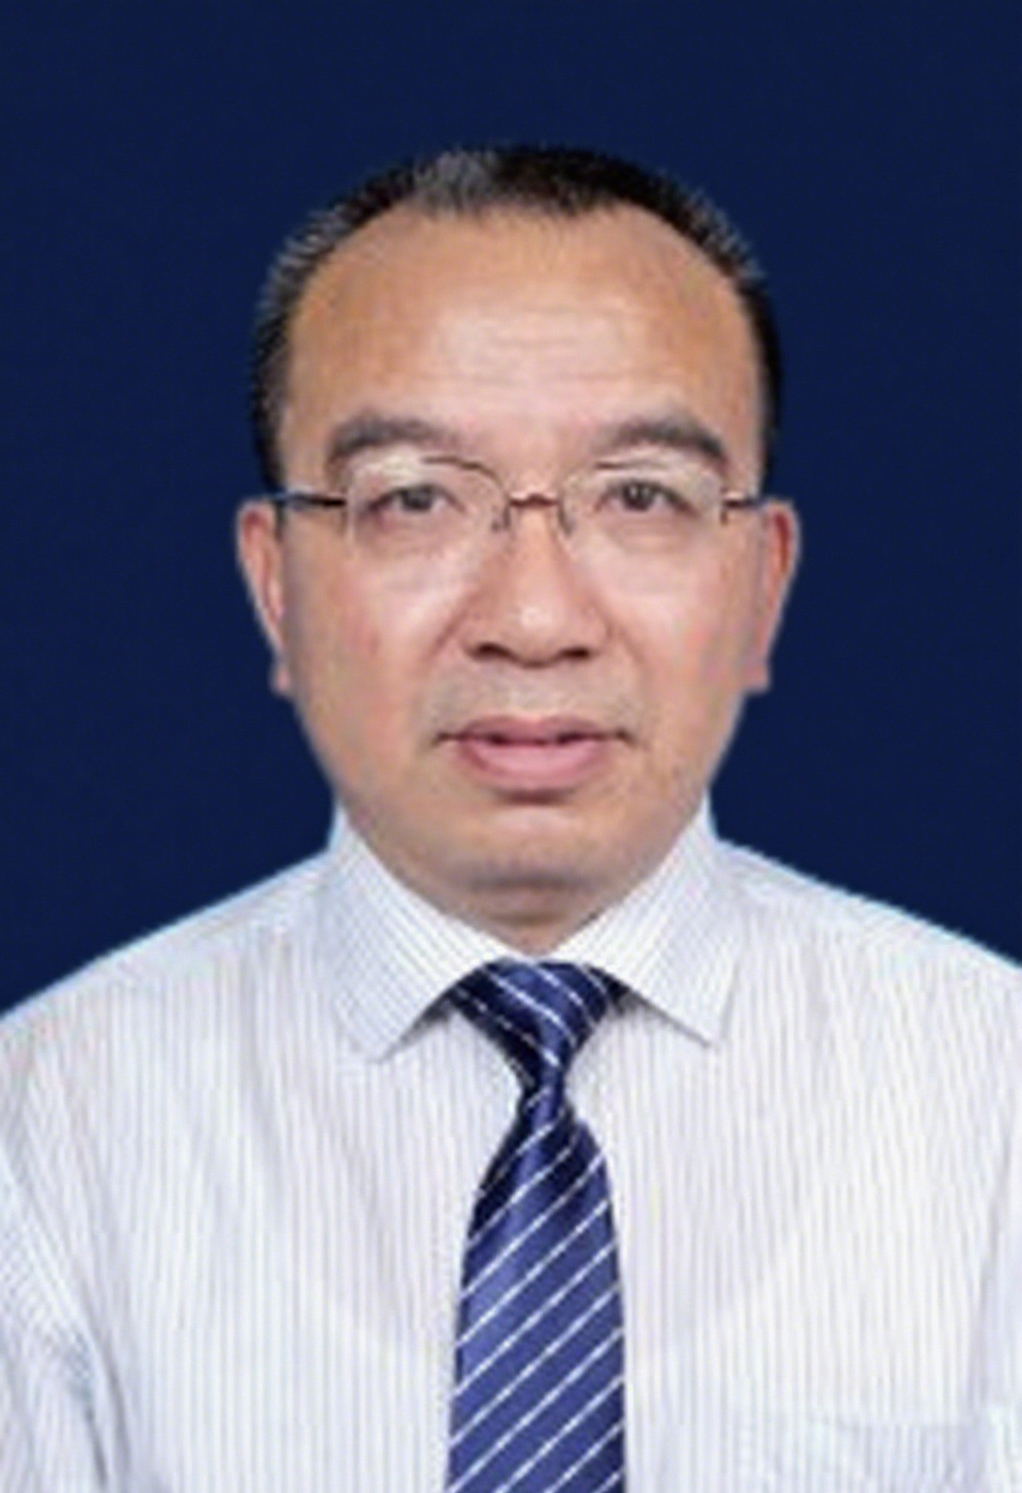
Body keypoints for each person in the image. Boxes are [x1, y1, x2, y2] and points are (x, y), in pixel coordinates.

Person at [0, 145, 1017, 1493]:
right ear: (276, 584)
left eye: (640, 497)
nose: (534, 620)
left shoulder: (993, 1100)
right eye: (415, 498)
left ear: (763, 584)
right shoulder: (47, 1129)